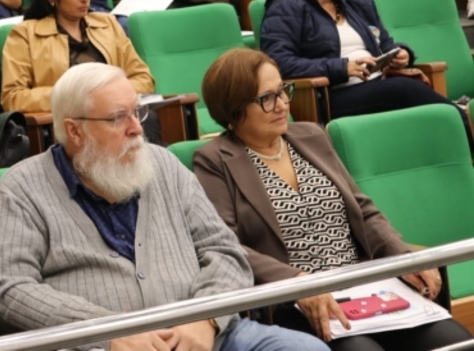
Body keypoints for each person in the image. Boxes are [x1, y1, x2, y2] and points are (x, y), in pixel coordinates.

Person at [0, 61, 329, 351]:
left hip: (208, 336)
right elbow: (13, 289)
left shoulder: (162, 165)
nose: (137, 128)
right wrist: (107, 333)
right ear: (74, 131)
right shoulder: (21, 189)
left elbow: (225, 252)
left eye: (138, 111)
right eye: (118, 118)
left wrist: (206, 319)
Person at [195, 48, 473, 350]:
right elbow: (228, 245)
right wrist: (298, 283)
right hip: (297, 302)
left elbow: (363, 211)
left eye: (283, 91)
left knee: (455, 342)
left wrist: (403, 257)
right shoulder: (214, 160)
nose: (282, 105)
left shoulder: (310, 135)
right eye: (266, 98)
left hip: (367, 286)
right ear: (233, 108)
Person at [262, 0, 465, 119]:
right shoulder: (286, 7)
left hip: (378, 83)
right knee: (403, 89)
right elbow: (279, 62)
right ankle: (463, 120)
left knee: (412, 96)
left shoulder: (357, 1)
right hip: (329, 94)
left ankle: (460, 127)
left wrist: (401, 54)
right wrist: (341, 68)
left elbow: (385, 43)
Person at [2, 0, 156, 128]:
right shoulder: (25, 34)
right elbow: (12, 97)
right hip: (69, 125)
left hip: (116, 115)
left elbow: (143, 78)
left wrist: (107, 94)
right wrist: (76, 97)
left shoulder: (108, 24)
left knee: (148, 121)